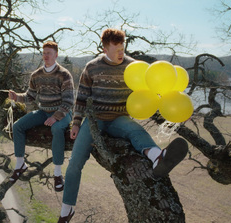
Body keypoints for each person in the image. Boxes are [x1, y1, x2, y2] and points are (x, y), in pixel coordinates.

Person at [57, 28, 188, 222]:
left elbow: (151, 91)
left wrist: (169, 102)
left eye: (122, 47)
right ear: (105, 48)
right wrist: (76, 123)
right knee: (75, 162)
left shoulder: (134, 67)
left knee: (136, 131)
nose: (121, 52)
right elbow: (82, 98)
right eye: (116, 48)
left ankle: (158, 158)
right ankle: (67, 209)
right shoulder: (92, 67)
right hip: (95, 120)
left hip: (120, 118)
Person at [8, 41, 74, 192]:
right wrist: (16, 97)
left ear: (56, 55)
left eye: (49, 53)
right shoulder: (36, 75)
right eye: (44, 53)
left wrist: (56, 117)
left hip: (63, 112)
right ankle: (20, 164)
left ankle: (58, 174)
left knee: (57, 129)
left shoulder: (64, 74)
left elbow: (69, 101)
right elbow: (30, 96)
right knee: (17, 126)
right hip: (43, 111)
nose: (46, 56)